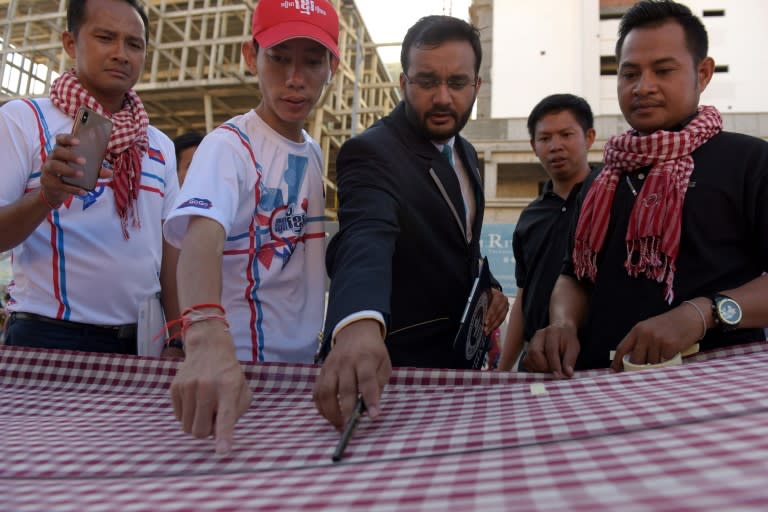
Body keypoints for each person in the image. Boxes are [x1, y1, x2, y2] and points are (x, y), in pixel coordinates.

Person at [523, 0, 768, 377]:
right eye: (629, 73)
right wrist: (563, 325)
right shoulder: (600, 181)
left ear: (703, 74)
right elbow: (574, 277)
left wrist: (704, 312)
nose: (643, 87)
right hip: (602, 386)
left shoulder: (750, 162)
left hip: (720, 389)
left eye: (664, 70)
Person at [313, 15, 509, 430]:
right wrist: (357, 324)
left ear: (477, 86)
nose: (442, 97)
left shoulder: (468, 154)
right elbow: (366, 236)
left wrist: (488, 287)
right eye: (426, 81)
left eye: (457, 83)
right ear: (403, 83)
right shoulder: (370, 151)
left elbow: (458, 245)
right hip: (389, 380)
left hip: (458, 374)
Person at [162, 0, 340, 453]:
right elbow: (201, 236)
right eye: (279, 58)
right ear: (250, 56)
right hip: (237, 375)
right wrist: (201, 333)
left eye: (312, 61)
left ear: (333, 67)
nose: (295, 78)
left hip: (299, 375)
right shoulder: (229, 146)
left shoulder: (312, 152)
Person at [0, 0, 180, 355]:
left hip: (143, 341)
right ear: (70, 43)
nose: (121, 54)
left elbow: (170, 250)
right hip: (49, 337)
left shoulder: (157, 144)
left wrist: (177, 337)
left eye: (134, 43)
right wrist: (45, 196)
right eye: (105, 37)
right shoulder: (24, 120)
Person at [498, 94, 597, 371]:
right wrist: (504, 369)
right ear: (533, 146)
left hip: (596, 360)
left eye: (566, 134)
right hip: (537, 362)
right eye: (545, 138)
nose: (556, 146)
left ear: (589, 137)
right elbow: (523, 296)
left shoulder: (611, 198)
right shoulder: (530, 218)